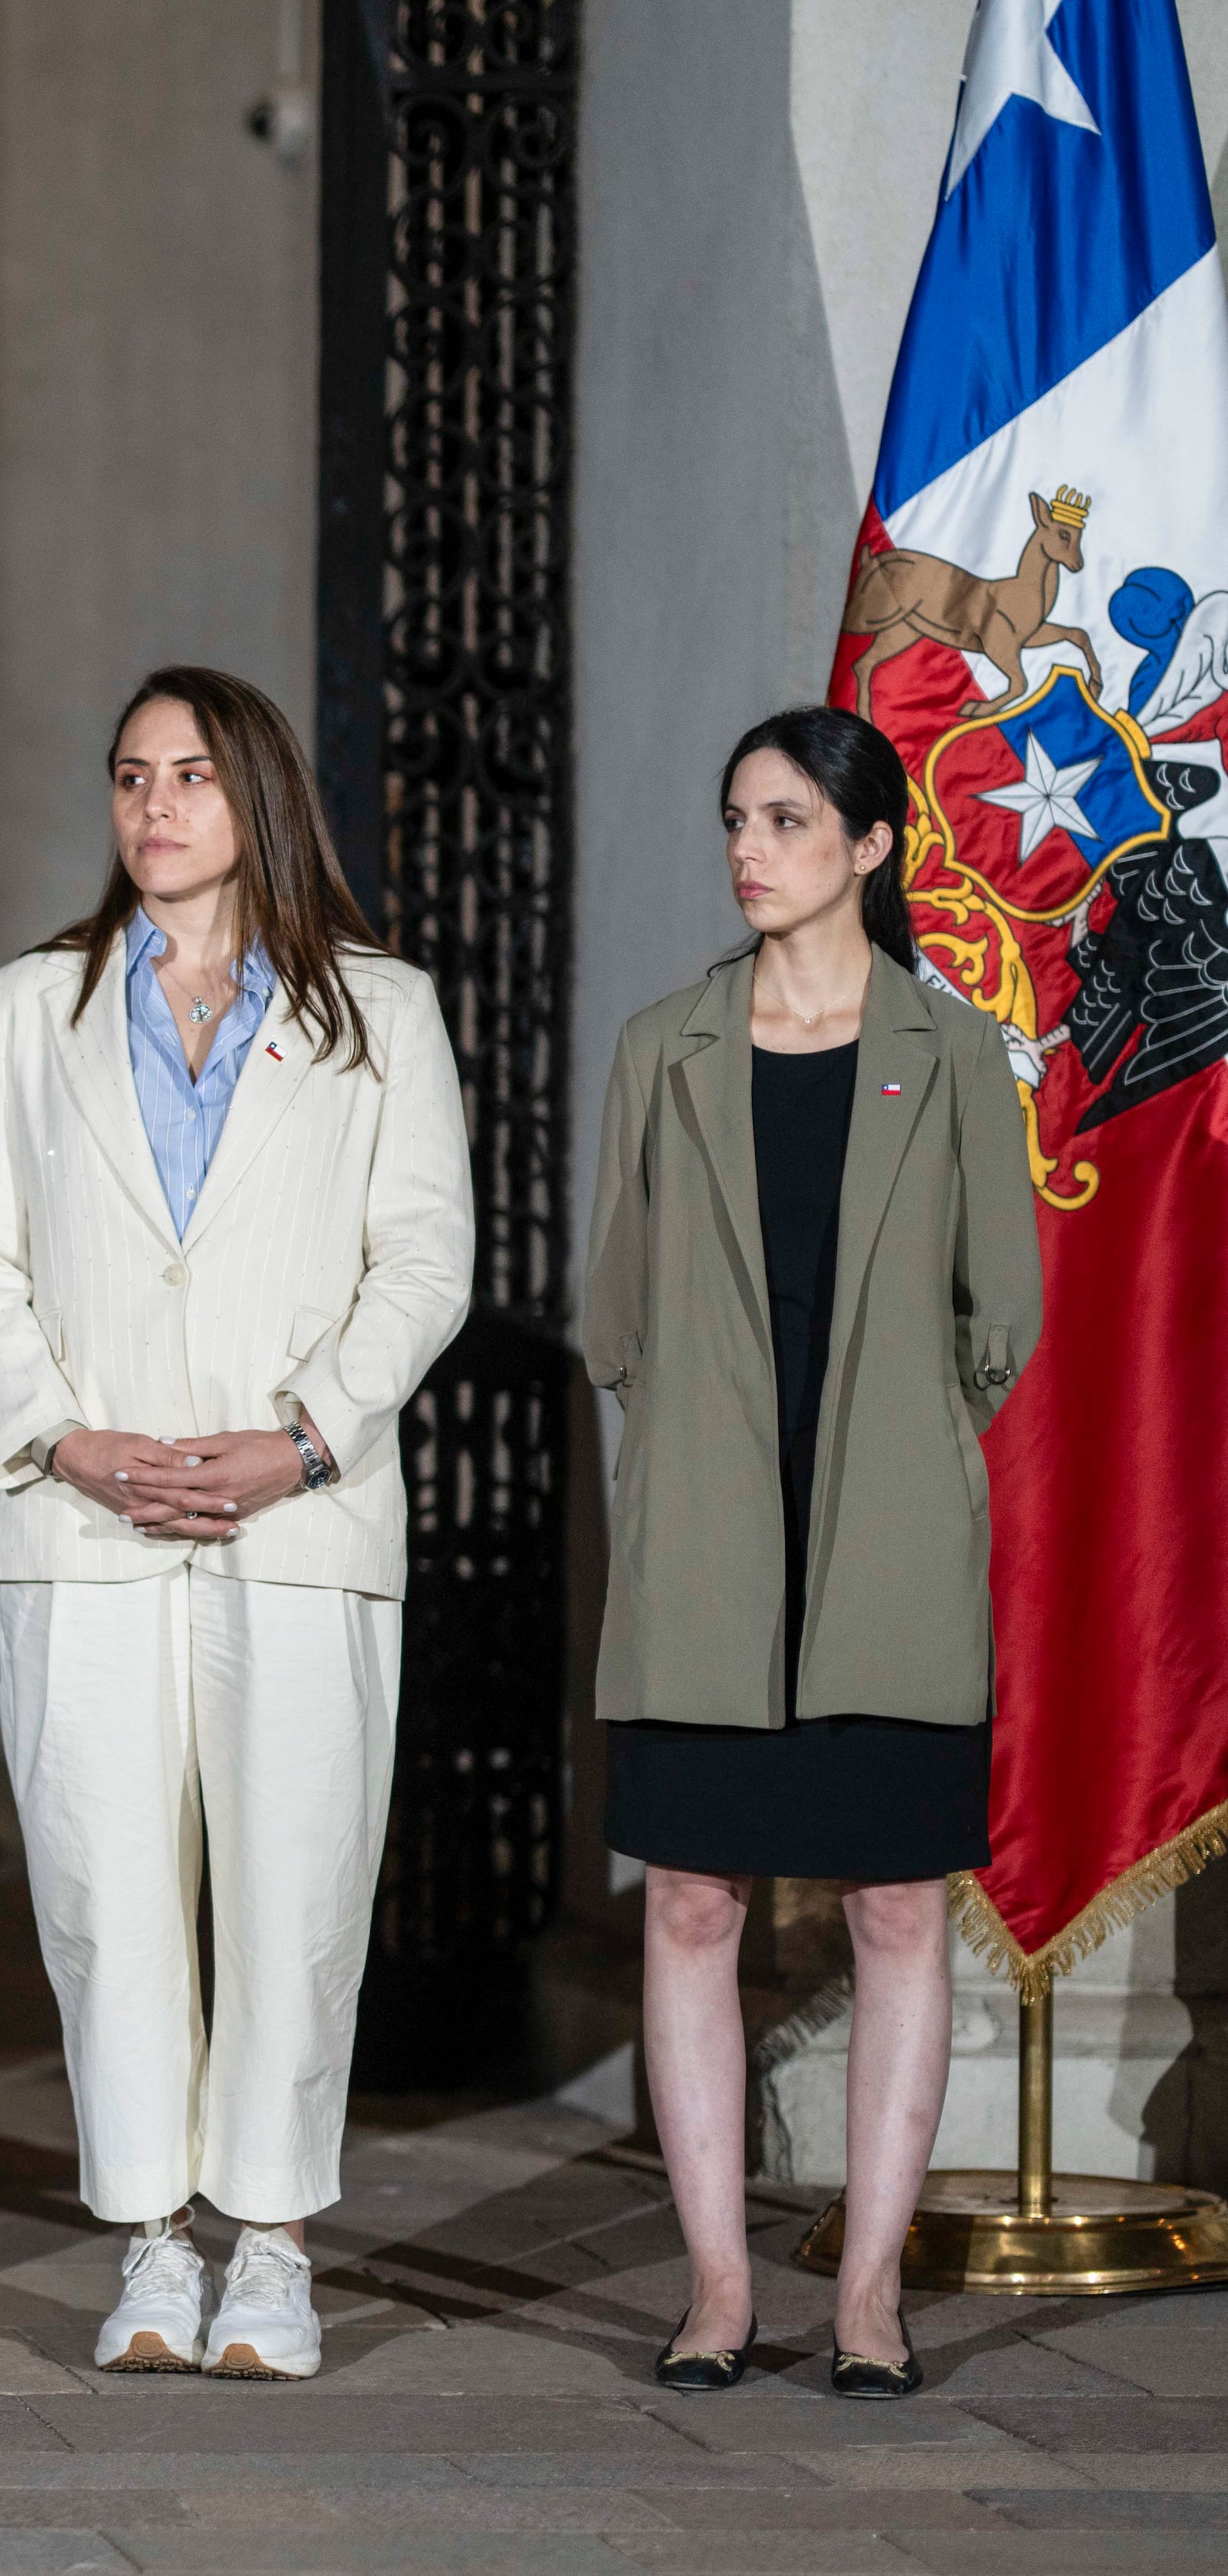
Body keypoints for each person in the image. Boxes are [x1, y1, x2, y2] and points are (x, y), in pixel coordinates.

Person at [0, 666, 471, 2380]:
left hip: (295, 1521)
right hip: (84, 1521)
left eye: (188, 777)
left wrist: (298, 1441)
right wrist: (63, 1439)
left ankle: (275, 2243)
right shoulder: (35, 1004)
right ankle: (153, 2233)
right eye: (127, 775)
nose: (153, 807)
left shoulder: (378, 1008)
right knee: (104, 1883)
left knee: (294, 1879)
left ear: (256, 800)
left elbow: (426, 1259)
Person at [580, 706, 1037, 2401]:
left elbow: (1004, 1311)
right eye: (732, 819)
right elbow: (612, 1308)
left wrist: (907, 1447)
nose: (746, 849)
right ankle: (714, 2286)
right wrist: (702, 1446)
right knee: (692, 1898)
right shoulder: (663, 1047)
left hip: (890, 1547)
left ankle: (864, 2296)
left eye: (782, 819)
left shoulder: (955, 1052)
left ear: (869, 845)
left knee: (897, 1904)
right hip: (706, 1538)